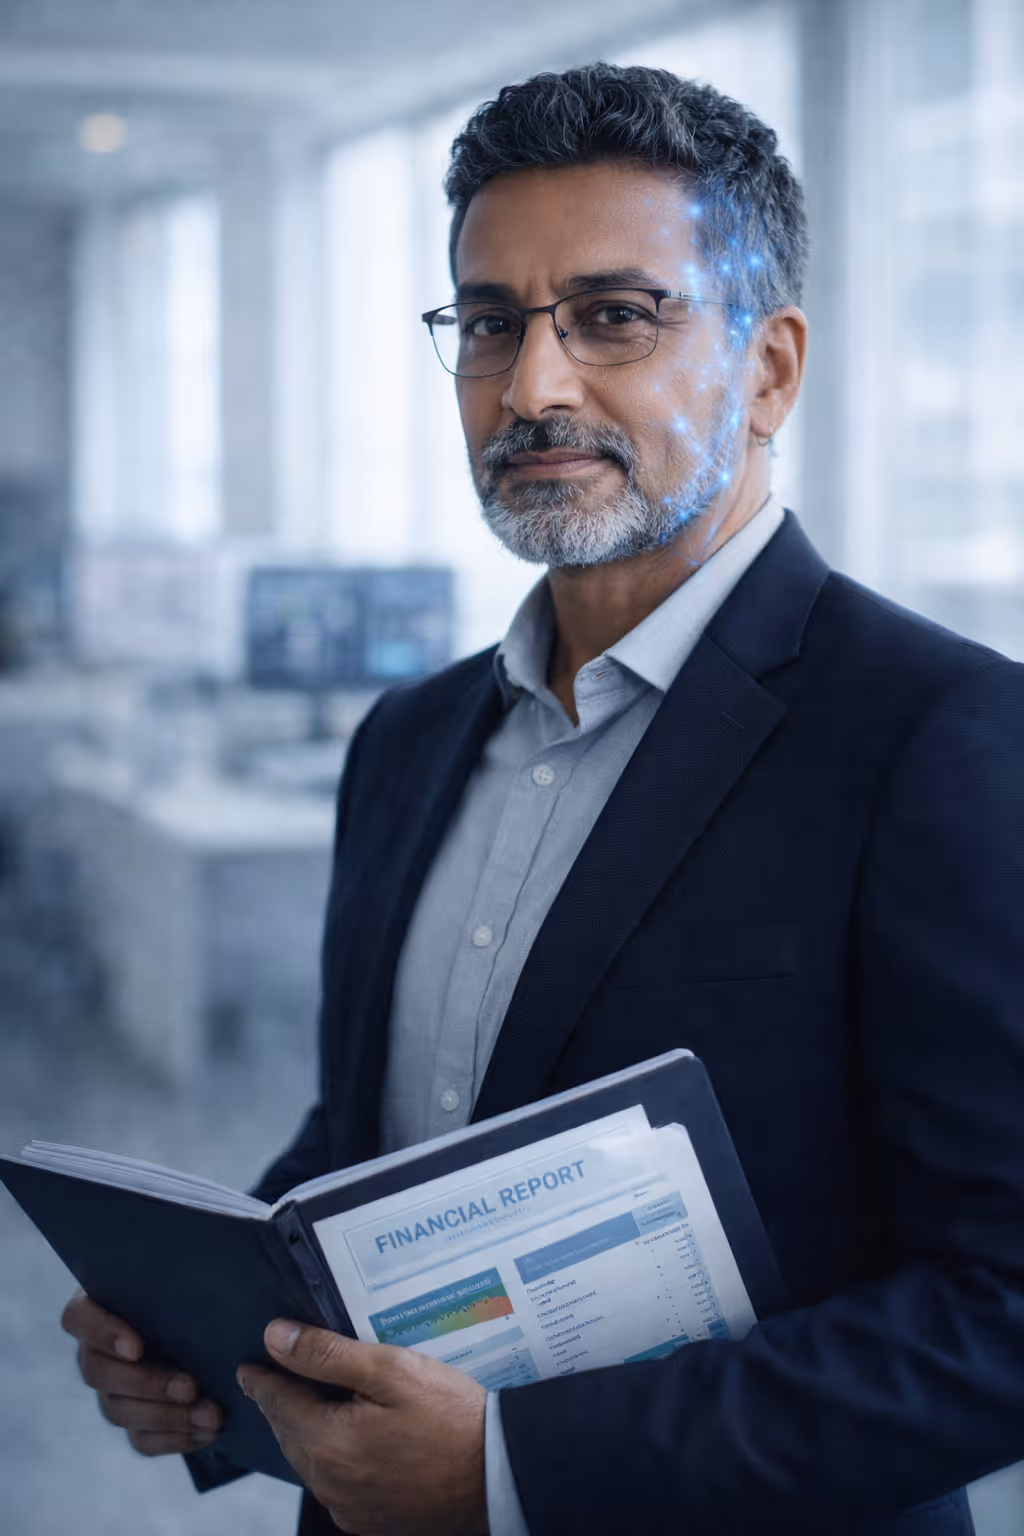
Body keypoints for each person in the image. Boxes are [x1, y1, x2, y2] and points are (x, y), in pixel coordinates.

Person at [61, 63, 1024, 1536]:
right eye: (492, 323)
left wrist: (517, 1471)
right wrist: (210, 1335)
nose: (533, 387)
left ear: (770, 370)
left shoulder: (943, 738)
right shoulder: (410, 736)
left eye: (614, 317)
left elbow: (1003, 1309)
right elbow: (377, 1136)